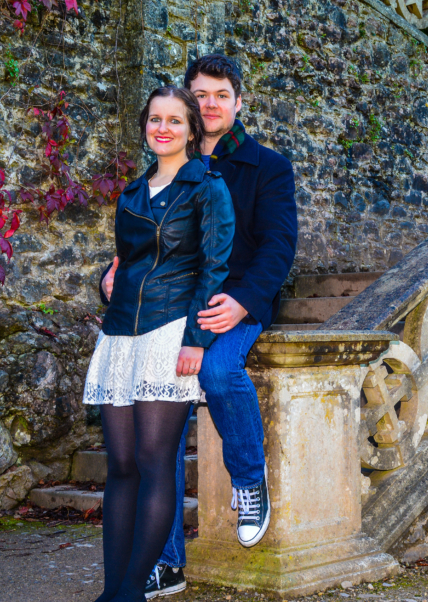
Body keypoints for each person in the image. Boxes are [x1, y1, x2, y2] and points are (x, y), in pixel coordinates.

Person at [101, 55, 298, 599]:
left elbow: (279, 246)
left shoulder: (267, 167)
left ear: (239, 103)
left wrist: (242, 301)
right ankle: (165, 562)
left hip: (227, 301)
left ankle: (249, 478)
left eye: (220, 95)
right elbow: (140, 243)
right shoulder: (167, 163)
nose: (209, 104)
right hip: (164, 307)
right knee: (156, 433)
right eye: (200, 95)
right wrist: (110, 278)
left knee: (215, 368)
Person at [83, 85, 234, 602]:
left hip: (171, 330)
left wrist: (197, 340)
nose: (162, 128)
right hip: (121, 332)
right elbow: (126, 263)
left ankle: (130, 592)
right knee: (120, 464)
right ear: (145, 126)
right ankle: (112, 590)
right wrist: (104, 280)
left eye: (174, 120)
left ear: (193, 129)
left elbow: (214, 270)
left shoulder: (207, 187)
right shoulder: (130, 192)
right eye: (154, 120)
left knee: (153, 461)